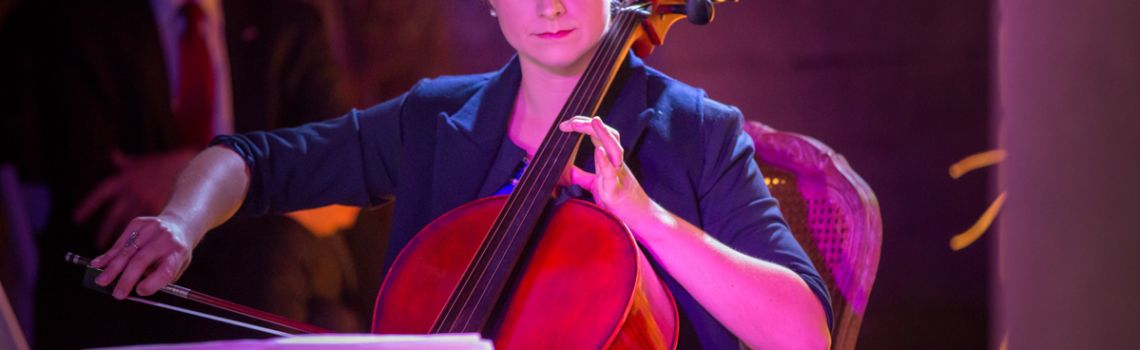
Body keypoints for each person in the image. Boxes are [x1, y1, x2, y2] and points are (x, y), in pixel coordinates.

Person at [92, 0, 833, 348]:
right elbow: (251, 161)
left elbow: (803, 333)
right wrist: (178, 222)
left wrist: (648, 220)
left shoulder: (698, 131)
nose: (549, 6)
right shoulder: (435, 119)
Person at [0, 0, 360, 347]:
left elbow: (342, 179)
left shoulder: (289, 23)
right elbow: (104, 195)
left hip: (279, 260)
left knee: (276, 259)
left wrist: (199, 173)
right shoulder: (73, 20)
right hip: (134, 274)